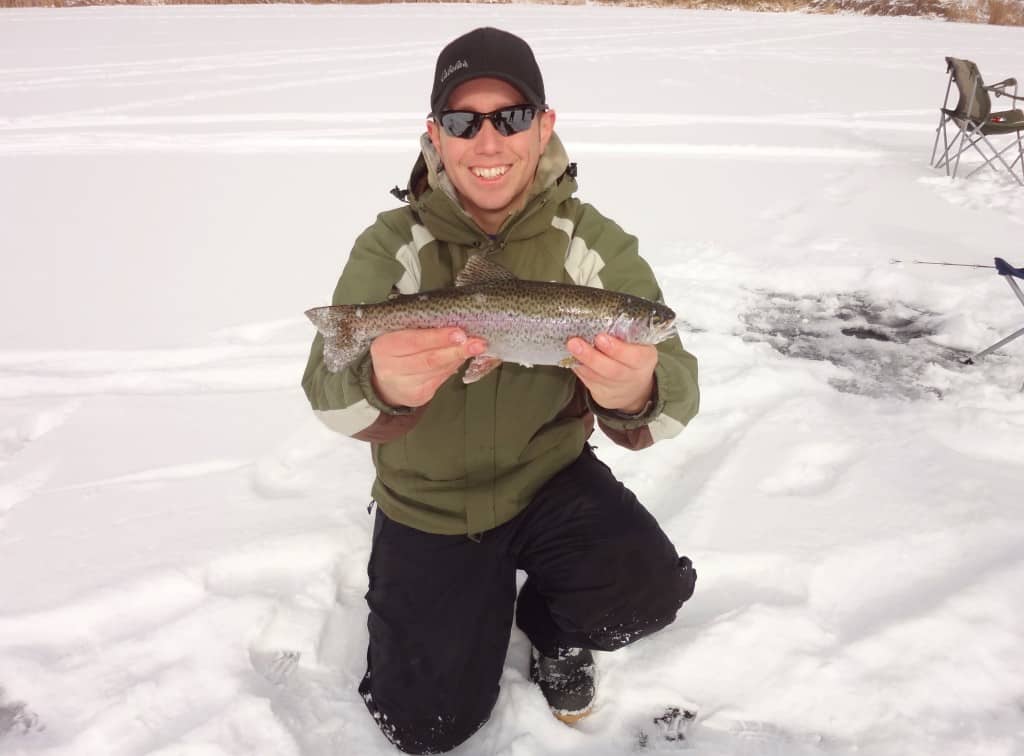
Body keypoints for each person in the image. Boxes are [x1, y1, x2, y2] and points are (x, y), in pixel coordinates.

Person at [301, 26, 700, 755]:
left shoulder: (592, 243)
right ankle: (463, 611)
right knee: (426, 728)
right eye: (464, 121)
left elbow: (678, 391)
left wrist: (638, 389)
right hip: (429, 503)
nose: (489, 142)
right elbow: (326, 392)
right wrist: (381, 382)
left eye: (511, 117)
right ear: (436, 135)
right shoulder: (391, 246)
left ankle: (551, 629)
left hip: (548, 479)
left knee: (648, 591)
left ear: (544, 125)